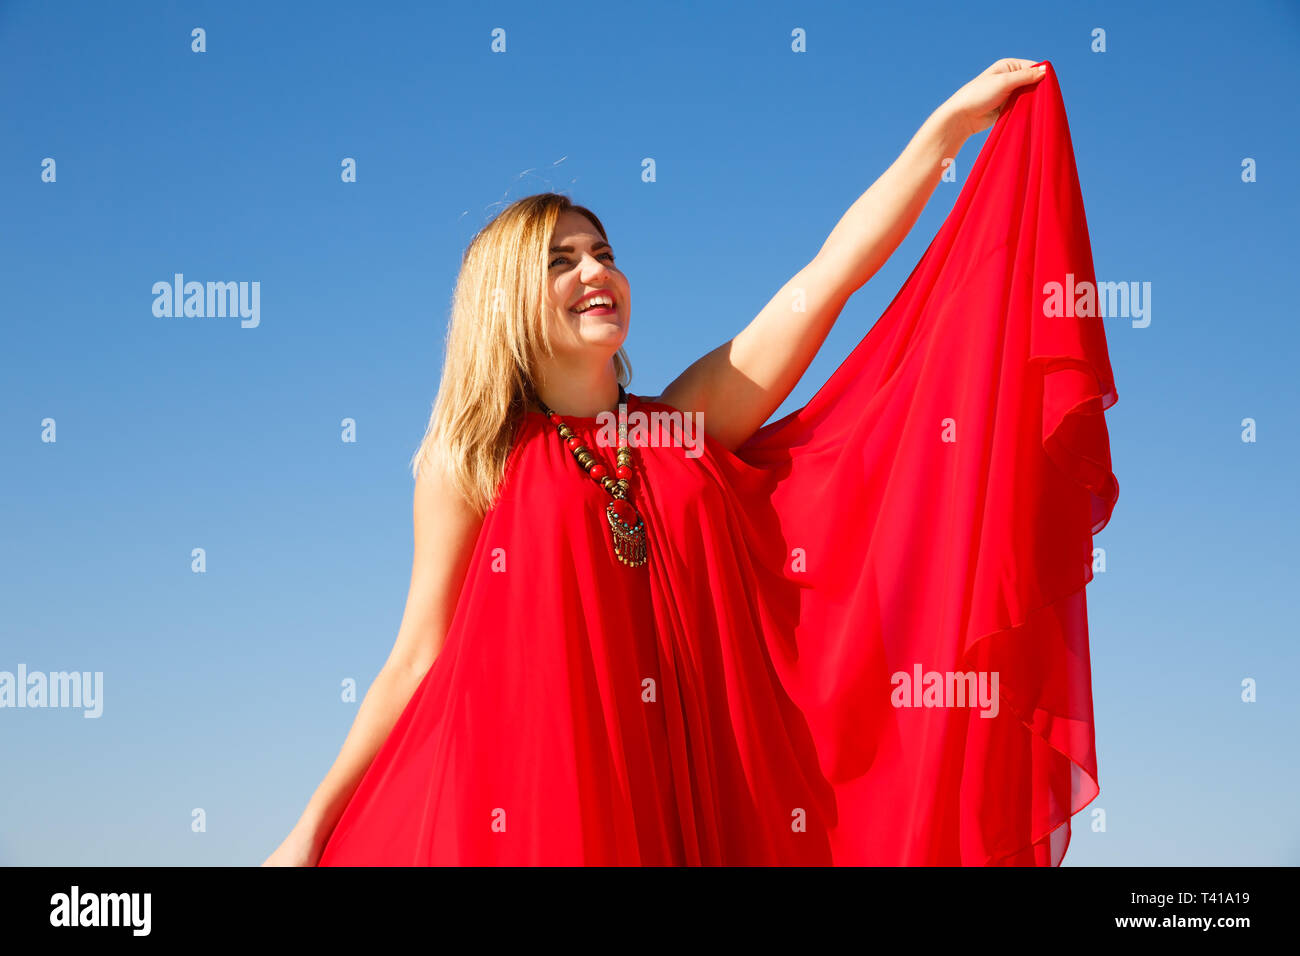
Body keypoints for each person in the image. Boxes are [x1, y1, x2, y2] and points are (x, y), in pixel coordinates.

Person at [265, 58, 1117, 865]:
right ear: (507, 302)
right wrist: (309, 829)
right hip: (527, 808)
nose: (596, 270)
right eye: (561, 260)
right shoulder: (471, 461)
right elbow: (417, 655)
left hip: (701, 805)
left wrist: (941, 137)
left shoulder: (680, 426)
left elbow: (825, 282)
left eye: (602, 251)